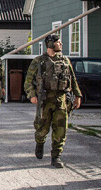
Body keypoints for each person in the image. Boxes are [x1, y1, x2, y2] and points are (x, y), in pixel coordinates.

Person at [24, 34, 82, 168]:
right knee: (42, 129)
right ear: (50, 44)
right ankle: (40, 142)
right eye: (58, 42)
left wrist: (77, 96)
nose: (61, 44)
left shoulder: (65, 61)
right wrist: (32, 95)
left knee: (61, 130)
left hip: (61, 100)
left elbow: (72, 79)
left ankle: (56, 156)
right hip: (45, 100)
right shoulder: (39, 61)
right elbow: (28, 82)